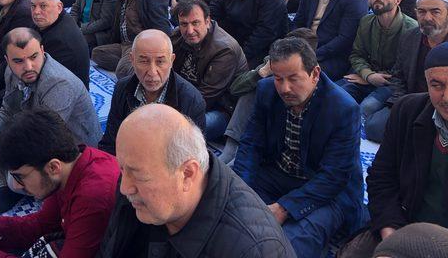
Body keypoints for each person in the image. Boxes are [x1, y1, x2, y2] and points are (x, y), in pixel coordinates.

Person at [97, 104, 296, 257]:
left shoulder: (253, 249)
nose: (124, 188)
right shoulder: (136, 188)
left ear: (187, 174)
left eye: (139, 175)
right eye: (122, 169)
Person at [233, 37, 367, 257]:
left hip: (325, 189)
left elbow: (334, 177)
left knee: (290, 245)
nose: (285, 88)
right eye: (278, 78)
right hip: (278, 174)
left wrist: (284, 208)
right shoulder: (267, 90)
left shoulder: (343, 108)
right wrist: (239, 189)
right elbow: (251, 144)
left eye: (293, 79)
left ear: (314, 74)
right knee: (231, 213)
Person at [0, 108, 119, 258]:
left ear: (53, 167)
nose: (16, 186)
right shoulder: (68, 168)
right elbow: (43, 224)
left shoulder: (93, 196)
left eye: (20, 176)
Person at [0, 28, 102, 213]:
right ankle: (0, 187)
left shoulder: (58, 83)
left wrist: (9, 149)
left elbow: (46, 141)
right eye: (19, 61)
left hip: (69, 151)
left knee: (16, 180)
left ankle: (19, 183)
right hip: (34, 130)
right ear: (7, 60)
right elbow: (8, 108)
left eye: (34, 57)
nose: (28, 66)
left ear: (43, 51)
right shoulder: (11, 72)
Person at [337, 43, 448, 257]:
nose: (446, 97)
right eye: (437, 85)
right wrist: (392, 237)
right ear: (426, 83)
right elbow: (382, 179)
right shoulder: (407, 111)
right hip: (403, 226)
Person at [219, 28, 318, 165]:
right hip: (247, 130)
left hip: (280, 150)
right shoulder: (271, 64)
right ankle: (231, 149)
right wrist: (262, 73)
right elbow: (235, 89)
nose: (285, 86)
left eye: (293, 78)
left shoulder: (313, 83)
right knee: (253, 89)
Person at [98, 29, 206, 155]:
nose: (152, 72)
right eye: (144, 61)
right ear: (132, 60)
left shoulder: (191, 100)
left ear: (171, 60)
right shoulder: (123, 88)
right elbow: (111, 142)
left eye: (160, 62)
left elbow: (193, 158)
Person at [363, 0, 448, 142]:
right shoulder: (410, 37)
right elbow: (398, 76)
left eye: (435, 12)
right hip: (411, 100)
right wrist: (401, 105)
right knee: (374, 127)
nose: (427, 17)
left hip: (444, 103)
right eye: (421, 12)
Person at [337, 0, 417, 117]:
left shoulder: (412, 29)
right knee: (332, 94)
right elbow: (357, 54)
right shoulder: (366, 22)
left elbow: (406, 71)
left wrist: (371, 77)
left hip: (392, 85)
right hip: (366, 76)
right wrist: (368, 75)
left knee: (366, 108)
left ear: (398, 0)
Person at [170, 0, 247, 141]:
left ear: (207, 21)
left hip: (220, 109)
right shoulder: (179, 36)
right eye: (184, 24)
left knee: (178, 133)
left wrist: (168, 113)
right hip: (185, 96)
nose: (189, 30)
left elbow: (205, 98)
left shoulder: (225, 49)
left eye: (195, 23)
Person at [293, 0, 368, 81]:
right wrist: (294, 46)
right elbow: (299, 22)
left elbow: (345, 39)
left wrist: (311, 55)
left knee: (296, 77)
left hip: (333, 57)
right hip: (305, 47)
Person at [92, 0, 171, 79]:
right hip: (125, 44)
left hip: (142, 45)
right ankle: (135, 63)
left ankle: (138, 64)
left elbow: (162, 29)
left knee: (122, 71)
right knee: (97, 53)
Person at [211, 0, 288, 68]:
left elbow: (265, 32)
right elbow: (216, 10)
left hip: (263, 47)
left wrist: (240, 55)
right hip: (237, 41)